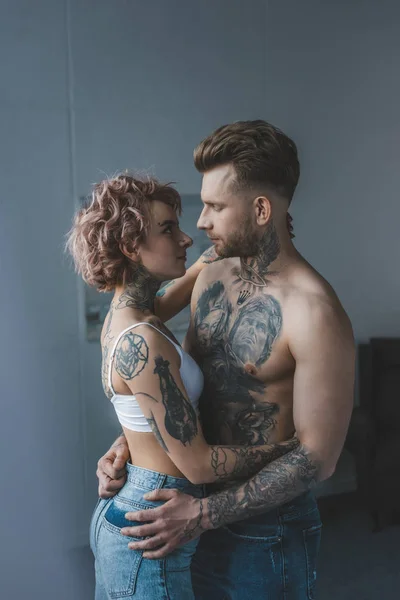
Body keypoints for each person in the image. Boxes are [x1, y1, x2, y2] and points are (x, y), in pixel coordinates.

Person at [97, 120, 355, 599]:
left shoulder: (315, 313)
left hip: (264, 532)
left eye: (215, 206)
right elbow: (183, 382)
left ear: (260, 209)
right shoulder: (211, 272)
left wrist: (203, 515)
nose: (200, 222)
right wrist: (132, 438)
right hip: (186, 511)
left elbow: (319, 458)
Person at [67, 173, 300, 600]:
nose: (186, 238)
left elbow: (189, 276)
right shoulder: (143, 339)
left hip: (139, 504)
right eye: (168, 229)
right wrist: (288, 448)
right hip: (150, 526)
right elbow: (198, 465)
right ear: (130, 246)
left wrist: (240, 236)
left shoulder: (132, 314)